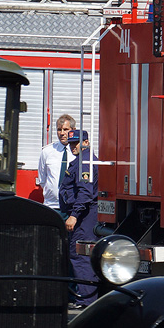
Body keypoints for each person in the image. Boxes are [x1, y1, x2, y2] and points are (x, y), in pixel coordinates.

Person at [59, 129, 98, 307]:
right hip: (84, 214)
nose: (74, 147)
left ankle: (86, 299)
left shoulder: (85, 163)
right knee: (81, 254)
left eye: (77, 143)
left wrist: (74, 216)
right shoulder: (82, 161)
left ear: (86, 143)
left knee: (81, 254)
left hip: (84, 215)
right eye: (72, 143)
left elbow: (85, 192)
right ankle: (85, 297)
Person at [35, 113, 76, 211]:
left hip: (72, 207)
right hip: (51, 206)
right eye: (59, 129)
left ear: (73, 130)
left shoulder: (79, 152)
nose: (62, 133)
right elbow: (42, 180)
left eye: (65, 130)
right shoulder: (47, 152)